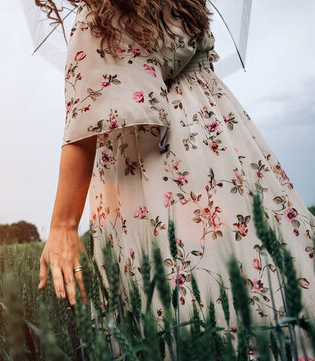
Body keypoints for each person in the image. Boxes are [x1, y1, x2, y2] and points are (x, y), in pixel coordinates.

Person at [37, 0, 315, 338]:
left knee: (187, 307)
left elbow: (86, 117)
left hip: (155, 164)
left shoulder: (103, 11)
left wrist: (63, 226)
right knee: (257, 273)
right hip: (221, 142)